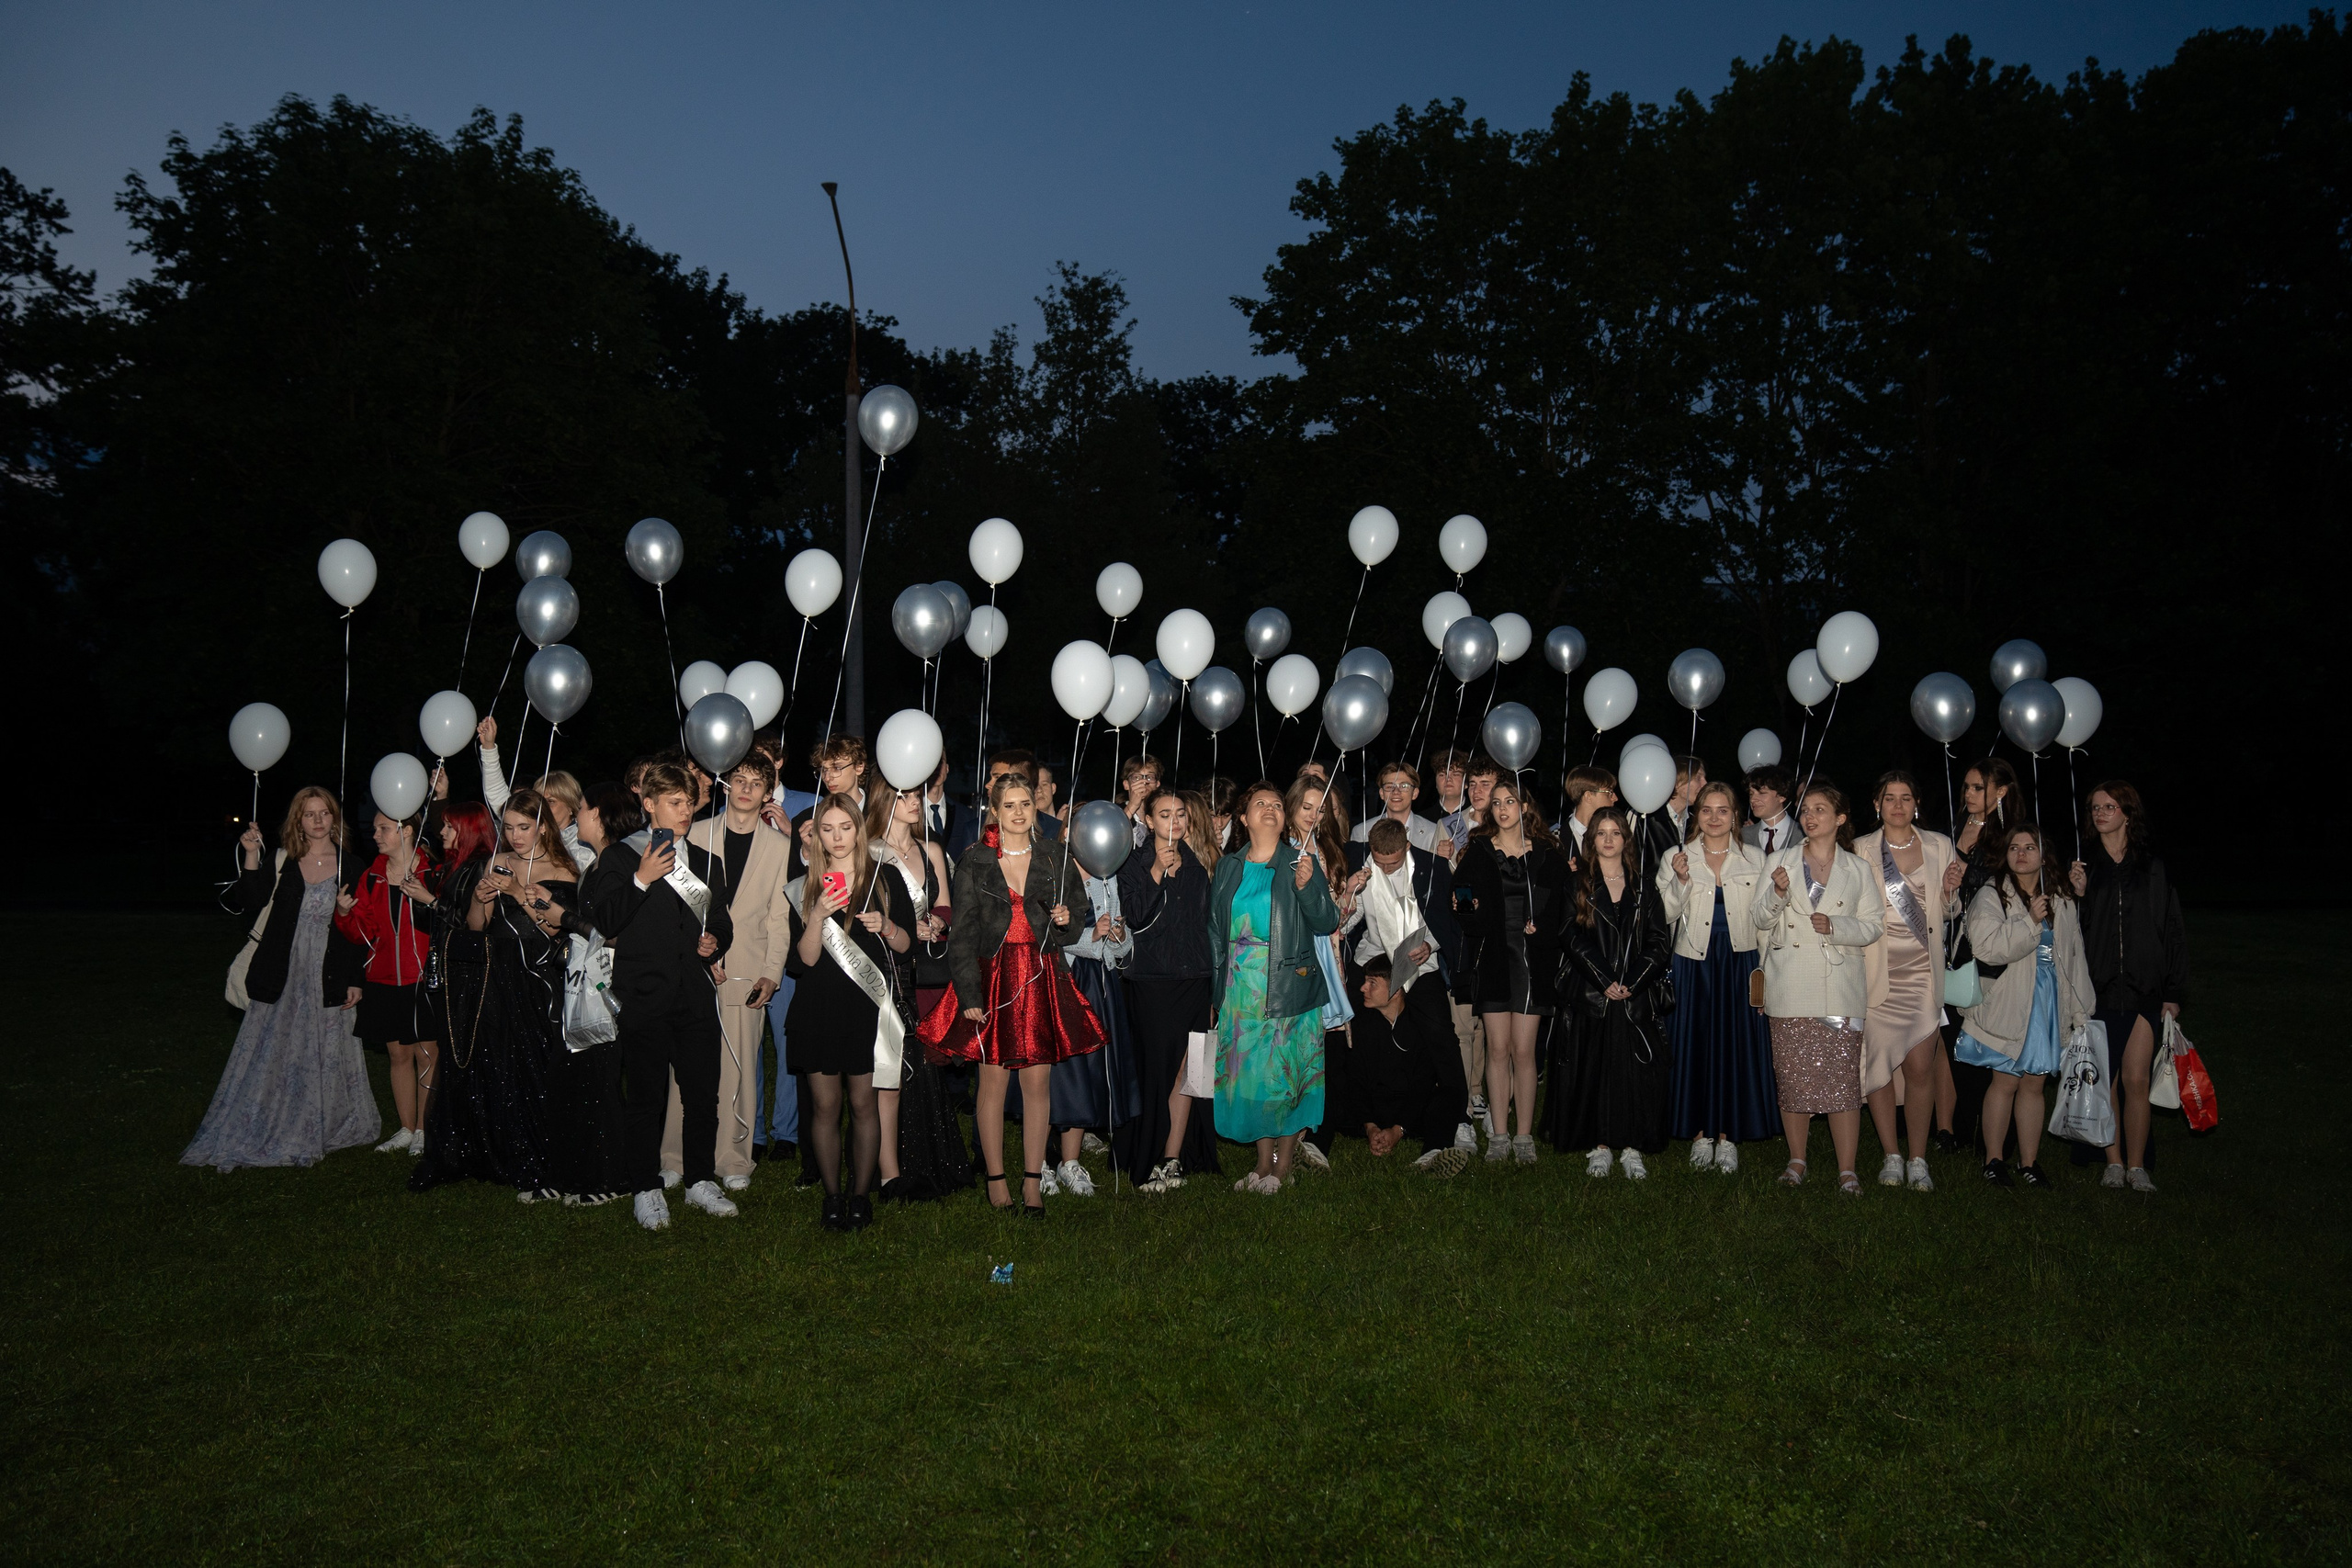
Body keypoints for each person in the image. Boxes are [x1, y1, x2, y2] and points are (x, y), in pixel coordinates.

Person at [920, 773, 1102, 1216]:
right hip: (994, 979)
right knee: (993, 1082)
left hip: (1041, 977)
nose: (1019, 812)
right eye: (1010, 805)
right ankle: (997, 1181)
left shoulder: (1055, 856)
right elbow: (962, 935)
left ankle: (1033, 1183)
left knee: (1038, 1082)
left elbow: (1077, 917)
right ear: (995, 812)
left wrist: (1064, 920)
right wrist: (968, 994)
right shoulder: (975, 861)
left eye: (1025, 803)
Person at [185, 788, 377, 1171]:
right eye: (309, 815)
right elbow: (250, 901)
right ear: (298, 821)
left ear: (334, 819)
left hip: (329, 969)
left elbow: (359, 928)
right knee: (275, 1045)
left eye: (324, 813)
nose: (318, 821)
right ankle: (267, 1116)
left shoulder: (352, 866)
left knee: (327, 1045)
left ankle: (325, 1120)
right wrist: (252, 856)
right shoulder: (282, 859)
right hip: (283, 968)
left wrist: (356, 979)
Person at [582, 762, 736, 1232]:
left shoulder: (708, 861)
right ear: (649, 804)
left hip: (695, 995)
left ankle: (700, 1180)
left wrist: (716, 942)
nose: (685, 811)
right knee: (646, 1097)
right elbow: (605, 922)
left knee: (701, 1095)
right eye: (674, 802)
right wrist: (642, 878)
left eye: (689, 802)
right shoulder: (620, 859)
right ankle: (645, 1188)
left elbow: (722, 921)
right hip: (643, 995)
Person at [410, 788, 581, 1201]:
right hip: (493, 977)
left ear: (543, 827)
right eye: (509, 828)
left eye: (524, 827)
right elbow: (476, 926)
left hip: (536, 981)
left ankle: (543, 1160)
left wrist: (517, 893)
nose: (516, 836)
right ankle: (495, 1152)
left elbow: (553, 931)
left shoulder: (564, 868)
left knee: (534, 1067)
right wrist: (479, 898)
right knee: (494, 1065)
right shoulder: (496, 862)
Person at [785, 794, 917, 1229]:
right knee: (825, 1107)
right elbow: (801, 962)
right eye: (828, 829)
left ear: (859, 829)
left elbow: (907, 946)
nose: (837, 837)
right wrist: (817, 915)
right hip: (818, 1006)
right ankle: (832, 1196)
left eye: (846, 827)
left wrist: (889, 926)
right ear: (816, 835)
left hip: (866, 1009)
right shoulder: (804, 884)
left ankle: (861, 1196)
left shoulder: (884, 878)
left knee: (864, 1104)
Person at [667, 752, 795, 1193]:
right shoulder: (696, 833)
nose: (745, 788)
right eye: (739, 779)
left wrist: (771, 974)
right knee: (682, 1066)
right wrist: (699, 952)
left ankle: (734, 1157)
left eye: (755, 784)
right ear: (725, 784)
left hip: (748, 973)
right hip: (694, 967)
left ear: (766, 794)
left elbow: (780, 918)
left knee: (740, 1068)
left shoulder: (780, 846)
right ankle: (674, 1155)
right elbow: (678, 910)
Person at [1751, 781, 1884, 1195]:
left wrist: (1837, 927)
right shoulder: (1781, 861)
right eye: (1806, 810)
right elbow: (1759, 919)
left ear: (1840, 818)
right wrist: (1775, 892)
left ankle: (1848, 1170)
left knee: (1843, 1081)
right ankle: (1796, 1160)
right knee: (1792, 1079)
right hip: (1790, 984)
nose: (1809, 817)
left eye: (1820, 810)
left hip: (1839, 989)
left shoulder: (1858, 869)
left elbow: (1874, 925)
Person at [1210, 781, 1342, 1193]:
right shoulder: (1228, 866)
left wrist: (1307, 888)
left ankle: (1282, 1166)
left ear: (1284, 819)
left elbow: (1327, 922)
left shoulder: (1299, 863)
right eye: (1259, 804)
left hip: (1288, 986)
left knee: (1288, 1076)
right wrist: (1217, 992)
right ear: (1244, 818)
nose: (1269, 809)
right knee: (1251, 1078)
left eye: (1275, 805)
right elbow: (1214, 930)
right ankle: (1261, 1163)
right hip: (1240, 990)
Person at [1955, 823, 2094, 1188]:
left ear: (2043, 854)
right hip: (2011, 998)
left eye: (2030, 847)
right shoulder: (1993, 894)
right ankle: (1994, 1160)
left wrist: (2082, 1008)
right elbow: (1988, 948)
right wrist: (2030, 921)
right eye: (2014, 847)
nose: (2021, 854)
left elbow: (2074, 954)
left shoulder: (2061, 896)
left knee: (2034, 1084)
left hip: (2050, 1001)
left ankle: (2029, 1163)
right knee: (2004, 1081)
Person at [2071, 782, 2187, 1191]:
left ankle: (2137, 1166)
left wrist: (2173, 991)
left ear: (2127, 813)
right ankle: (2113, 1162)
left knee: (2137, 1078)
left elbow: (2171, 928)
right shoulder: (2085, 869)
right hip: (2099, 988)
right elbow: (2073, 935)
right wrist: (2078, 895)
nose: (2101, 813)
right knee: (2106, 1078)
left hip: (2143, 988)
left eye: (2109, 806)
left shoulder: (2151, 867)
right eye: (2095, 807)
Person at [1657, 779, 1776, 1173]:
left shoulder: (1756, 859)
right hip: (1692, 963)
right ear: (1696, 814)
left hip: (1739, 963)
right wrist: (1680, 882)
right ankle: (1698, 1135)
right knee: (1695, 1044)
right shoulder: (1676, 856)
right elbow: (1663, 918)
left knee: (1734, 1045)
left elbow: (1765, 923)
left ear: (1735, 816)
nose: (1714, 817)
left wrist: (1764, 973)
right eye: (1706, 809)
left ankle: (1728, 1137)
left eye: (1723, 810)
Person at [1855, 772, 1964, 1190]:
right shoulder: (1861, 848)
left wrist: (1951, 894)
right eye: (1889, 798)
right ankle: (1891, 1155)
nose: (1897, 806)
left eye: (1905, 798)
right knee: (1878, 1066)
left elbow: (1948, 915)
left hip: (1922, 971)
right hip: (1877, 974)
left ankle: (1918, 1158)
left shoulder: (1938, 845)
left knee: (1921, 1067)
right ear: (1877, 805)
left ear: (1916, 804)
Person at [865, 783, 973, 1201]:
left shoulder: (931, 849)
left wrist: (939, 925)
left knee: (927, 1063)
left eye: (916, 797)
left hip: (930, 967)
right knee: (895, 1064)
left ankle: (929, 1158)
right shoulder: (869, 853)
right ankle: (891, 1167)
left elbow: (945, 906)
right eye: (905, 797)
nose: (915, 803)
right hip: (891, 969)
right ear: (884, 802)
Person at [1557, 807, 1675, 1177]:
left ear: (1626, 839)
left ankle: (1632, 1145)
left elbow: (1659, 942)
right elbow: (1570, 935)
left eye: (1615, 833)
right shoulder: (1578, 883)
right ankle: (1600, 1145)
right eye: (1601, 833)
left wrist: (1633, 982)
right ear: (1591, 840)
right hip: (1593, 996)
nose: (1608, 840)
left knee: (1633, 1072)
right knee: (1595, 1070)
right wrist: (1603, 979)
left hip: (1633, 996)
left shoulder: (1644, 886)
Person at [1459, 778, 1570, 1162]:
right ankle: (1499, 1136)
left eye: (1511, 801)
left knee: (1524, 1051)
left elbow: (1562, 904)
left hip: (1531, 958)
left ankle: (1524, 1137)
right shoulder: (1478, 848)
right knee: (1498, 1048)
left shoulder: (1546, 852)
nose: (1503, 808)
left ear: (1525, 807)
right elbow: (1460, 893)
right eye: (1497, 803)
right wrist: (1471, 912)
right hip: (1492, 956)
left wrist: (1543, 926)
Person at [1118, 786, 1221, 1191]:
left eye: (1180, 814)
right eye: (1164, 814)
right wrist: (1156, 873)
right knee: (1158, 1071)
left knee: (1194, 1069)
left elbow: (1207, 929)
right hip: (1153, 981)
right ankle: (1148, 1156)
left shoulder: (1199, 866)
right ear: (1148, 821)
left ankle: (1173, 1158)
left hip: (1196, 981)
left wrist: (1215, 988)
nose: (1174, 821)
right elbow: (1135, 918)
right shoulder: (1132, 863)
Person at [334, 807, 439, 1156]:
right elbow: (363, 935)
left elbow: (444, 923)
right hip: (383, 979)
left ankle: (426, 1129)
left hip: (422, 978)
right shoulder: (372, 876)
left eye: (382, 828)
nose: (375, 835)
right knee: (398, 1055)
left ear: (406, 830)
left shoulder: (433, 871)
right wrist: (346, 914)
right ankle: (406, 1128)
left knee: (428, 1054)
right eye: (375, 828)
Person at [1939, 756, 2022, 1151]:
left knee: (1984, 1036)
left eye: (1978, 788)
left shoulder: (2011, 836)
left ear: (2001, 791)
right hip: (1953, 941)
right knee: (1953, 1037)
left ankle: (1988, 1135)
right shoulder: (1961, 827)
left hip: (1991, 947)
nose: (1969, 794)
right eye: (1967, 787)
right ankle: (1957, 1126)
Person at [1041, 862, 1139, 1195]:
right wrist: (1091, 935)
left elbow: (1120, 948)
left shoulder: (1107, 877)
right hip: (1061, 981)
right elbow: (1046, 937)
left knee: (1087, 1072)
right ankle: (1039, 1163)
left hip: (1099, 984)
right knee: (1058, 1073)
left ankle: (1070, 1162)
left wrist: (1120, 936)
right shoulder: (1051, 875)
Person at [1337, 957, 1473, 1177]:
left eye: (1372, 983)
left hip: (1409, 1113)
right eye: (1365, 982)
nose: (1363, 988)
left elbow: (1423, 1082)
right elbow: (1355, 1080)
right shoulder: (1361, 1025)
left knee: (1449, 1092)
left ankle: (1432, 1155)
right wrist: (1370, 1127)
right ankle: (1312, 1148)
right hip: (1371, 1111)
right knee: (1333, 1085)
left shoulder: (1421, 1024)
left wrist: (1398, 1129)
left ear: (1396, 991)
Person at [473, 716, 595, 872]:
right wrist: (488, 747)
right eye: (540, 801)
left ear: (571, 806)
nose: (542, 807)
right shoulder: (533, 831)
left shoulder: (582, 842)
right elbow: (498, 796)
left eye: (550, 801)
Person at [948, 750, 1060, 857]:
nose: (988, 784)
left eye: (997, 777)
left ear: (1019, 779)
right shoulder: (975, 829)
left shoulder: (1055, 829)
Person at [1350, 761, 1452, 858]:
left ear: (1415, 793)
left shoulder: (1433, 832)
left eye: (1404, 786)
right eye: (1389, 787)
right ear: (1381, 793)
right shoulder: (1361, 832)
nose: (1396, 791)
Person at [1642, 755, 1707, 863]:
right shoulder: (1646, 819)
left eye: (1704, 778)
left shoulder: (1696, 822)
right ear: (1677, 781)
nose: (1705, 783)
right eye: (1698, 778)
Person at [1561, 766, 1618, 861]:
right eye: (1609, 792)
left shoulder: (1617, 836)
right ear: (1588, 796)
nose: (1615, 798)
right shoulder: (1555, 840)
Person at [1742, 765, 1797, 855]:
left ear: (1782, 796)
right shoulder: (1742, 837)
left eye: (1762, 793)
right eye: (1751, 794)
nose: (1753, 800)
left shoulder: (1803, 835)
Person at [1121, 753, 1163, 846]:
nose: (1144, 782)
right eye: (1136, 778)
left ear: (1157, 784)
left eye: (1150, 777)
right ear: (1126, 784)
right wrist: (1132, 806)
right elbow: (1111, 835)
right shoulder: (1114, 812)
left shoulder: (1163, 817)